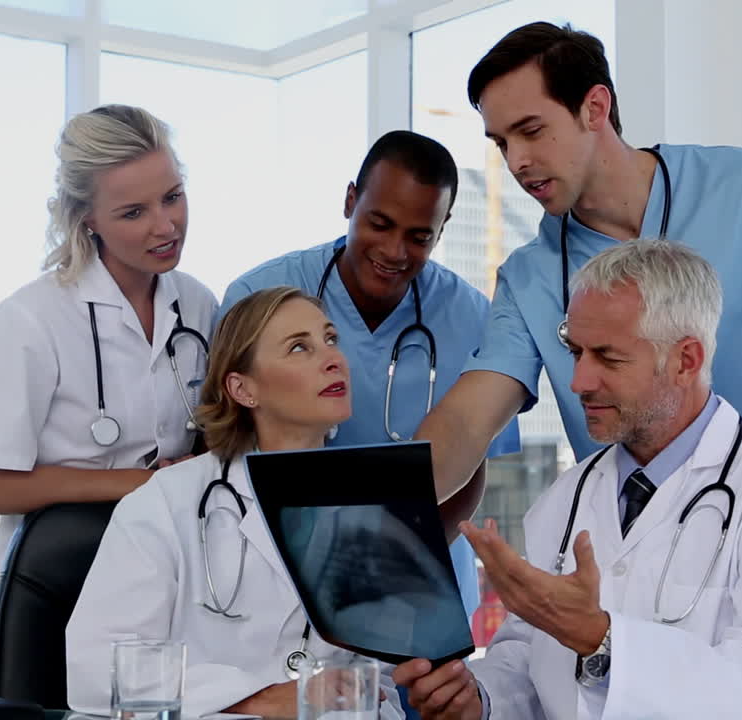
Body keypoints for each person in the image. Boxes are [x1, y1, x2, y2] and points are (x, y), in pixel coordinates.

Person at [413, 22, 742, 551]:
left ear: (594, 108)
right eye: (502, 142)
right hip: (648, 563)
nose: (516, 161)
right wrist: (385, 511)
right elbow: (467, 420)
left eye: (531, 130)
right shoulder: (528, 277)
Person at [395, 240, 742, 720]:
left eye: (608, 358)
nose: (579, 381)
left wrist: (602, 639)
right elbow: (525, 663)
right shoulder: (567, 497)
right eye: (576, 352)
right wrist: (479, 699)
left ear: (686, 360)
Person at [216, 130, 520, 619]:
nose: (395, 251)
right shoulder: (260, 294)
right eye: (380, 224)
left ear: (441, 229)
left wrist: (396, 569)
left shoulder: (471, 317)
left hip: (420, 579)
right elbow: (227, 444)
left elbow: (470, 467)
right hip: (278, 571)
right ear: (350, 201)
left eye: (419, 236)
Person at [66, 286, 403, 719]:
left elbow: (379, 687)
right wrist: (261, 699)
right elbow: (98, 668)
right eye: (299, 347)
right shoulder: (167, 502)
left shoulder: (372, 510)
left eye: (331, 339)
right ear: (243, 389)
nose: (333, 359)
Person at [0, 105, 217, 581]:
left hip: (175, 566)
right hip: (63, 579)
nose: (166, 226)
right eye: (134, 212)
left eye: (172, 197)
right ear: (87, 218)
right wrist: (142, 483)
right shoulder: (31, 319)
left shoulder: (198, 305)